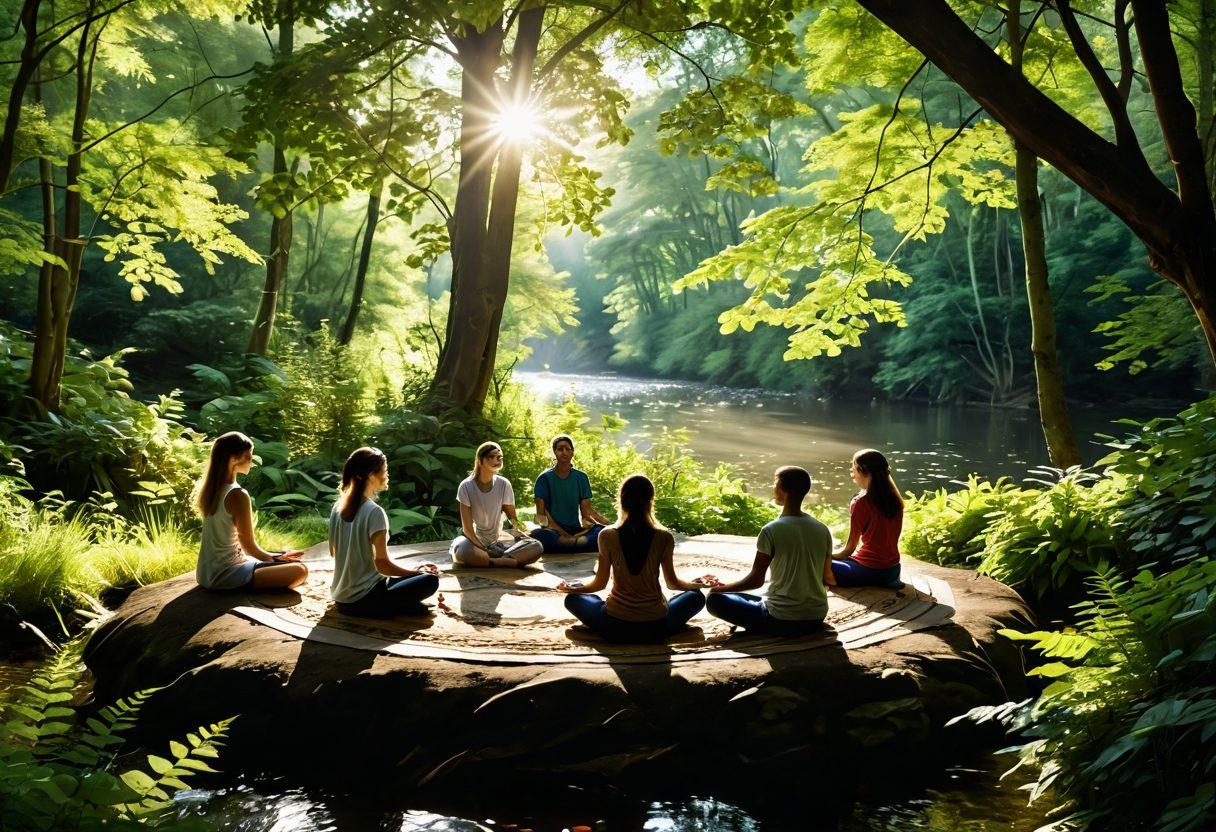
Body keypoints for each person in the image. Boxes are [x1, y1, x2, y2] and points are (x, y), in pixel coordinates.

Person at [556, 473, 715, 643]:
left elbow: (599, 584)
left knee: (573, 600)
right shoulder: (664, 537)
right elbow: (672, 584)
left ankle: (599, 632)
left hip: (614, 624)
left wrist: (574, 589)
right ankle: (672, 631)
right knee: (695, 597)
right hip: (656, 624)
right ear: (650, 501)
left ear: (622, 501)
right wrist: (697, 584)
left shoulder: (607, 535)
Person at [705, 466, 831, 636]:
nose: (773, 488)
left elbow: (756, 580)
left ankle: (764, 626)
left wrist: (720, 589)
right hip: (817, 615)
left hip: (780, 619)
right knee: (757, 596)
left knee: (714, 600)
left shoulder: (771, 530)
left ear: (783, 491)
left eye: (775, 484)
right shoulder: (822, 529)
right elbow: (826, 577)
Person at [329, 447, 440, 618]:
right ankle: (394, 607)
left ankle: (399, 605)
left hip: (341, 598)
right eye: (384, 471)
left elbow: (333, 551)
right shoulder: (374, 512)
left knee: (410, 578)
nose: (387, 475)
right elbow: (382, 563)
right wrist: (417, 574)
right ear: (370, 475)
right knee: (430, 580)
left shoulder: (337, 508)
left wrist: (411, 572)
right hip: (364, 599)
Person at [195, 431, 309, 591]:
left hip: (206, 574)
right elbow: (248, 545)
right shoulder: (237, 495)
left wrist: (278, 556)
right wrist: (275, 562)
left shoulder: (212, 489)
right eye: (249, 456)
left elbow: (242, 547)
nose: (252, 461)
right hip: (224, 574)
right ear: (234, 459)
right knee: (300, 571)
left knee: (288, 563)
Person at [450, 441, 544, 568]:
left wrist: (524, 534)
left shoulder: (504, 484)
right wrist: (484, 549)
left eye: (500, 457)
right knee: (462, 550)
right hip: (474, 542)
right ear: (480, 460)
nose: (497, 460)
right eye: (491, 457)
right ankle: (500, 561)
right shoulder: (466, 486)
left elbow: (513, 520)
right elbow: (467, 529)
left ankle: (492, 560)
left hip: (498, 544)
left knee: (537, 546)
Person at [830, 449, 904, 588]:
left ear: (865, 472)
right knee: (838, 556)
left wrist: (825, 554)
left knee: (815, 563)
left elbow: (849, 549)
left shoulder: (861, 502)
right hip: (893, 569)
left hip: (872, 571)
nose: (853, 476)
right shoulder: (895, 499)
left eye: (854, 470)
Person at [531, 434, 611, 554]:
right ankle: (575, 543)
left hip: (575, 530)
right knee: (538, 535)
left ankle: (572, 543)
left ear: (572, 452)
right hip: (552, 531)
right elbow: (541, 516)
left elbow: (586, 513)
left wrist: (607, 525)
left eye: (567, 449)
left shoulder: (581, 477)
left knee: (601, 532)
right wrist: (562, 535)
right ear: (554, 452)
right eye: (560, 449)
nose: (564, 452)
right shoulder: (544, 478)